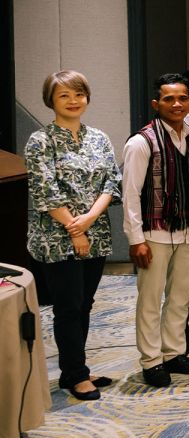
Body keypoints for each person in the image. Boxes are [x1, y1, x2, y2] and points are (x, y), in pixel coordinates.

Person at [25, 71, 121, 401]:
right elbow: (45, 191)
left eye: (79, 94)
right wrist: (75, 228)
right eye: (64, 95)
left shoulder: (99, 138)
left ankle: (74, 368)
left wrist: (91, 218)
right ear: (50, 100)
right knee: (68, 306)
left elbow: (112, 181)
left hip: (97, 232)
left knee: (85, 304)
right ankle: (76, 375)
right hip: (57, 236)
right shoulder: (40, 140)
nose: (73, 100)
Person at [122, 73, 189, 387]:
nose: (177, 104)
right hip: (152, 233)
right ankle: (151, 361)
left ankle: (174, 353)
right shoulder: (141, 142)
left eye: (182, 98)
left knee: (180, 297)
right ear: (156, 103)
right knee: (150, 299)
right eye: (169, 99)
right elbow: (131, 194)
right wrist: (135, 240)